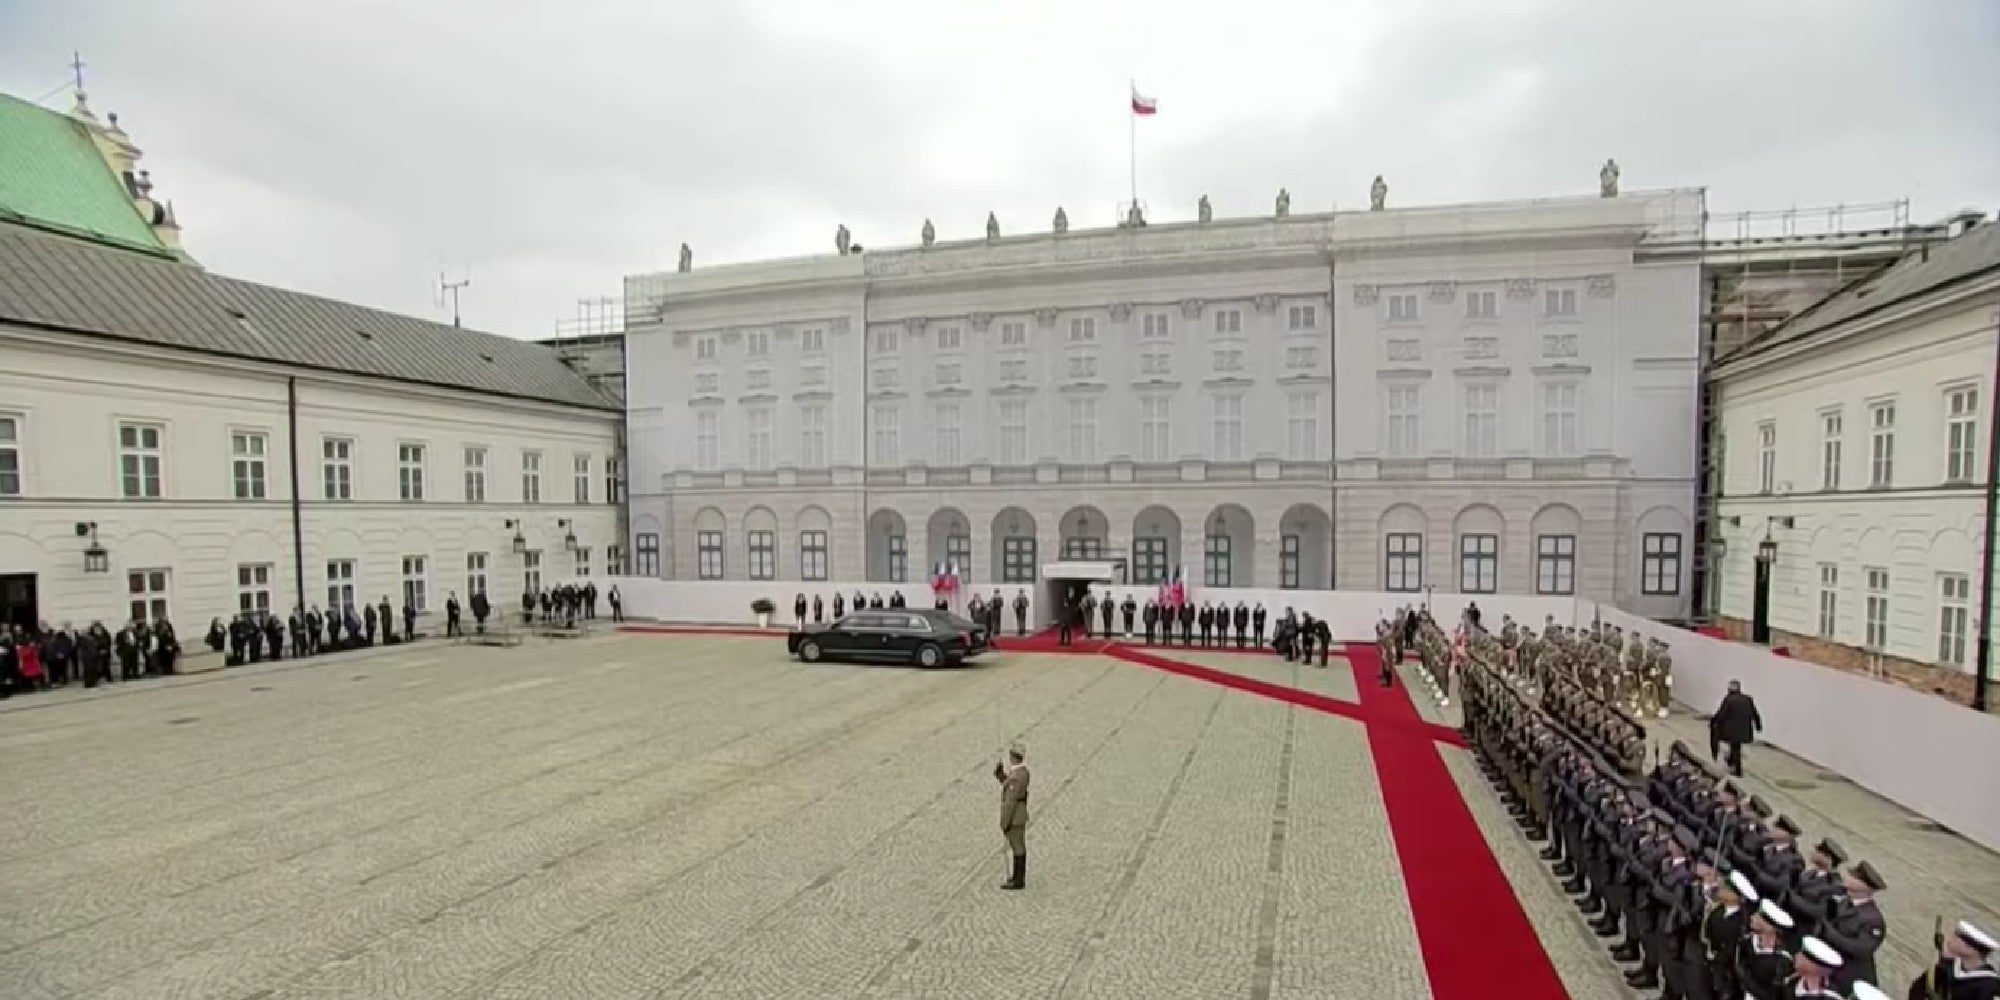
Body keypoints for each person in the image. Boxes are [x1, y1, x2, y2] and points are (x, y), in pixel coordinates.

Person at [1910, 920, 1997, 1000]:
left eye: (1958, 937)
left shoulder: (1990, 987)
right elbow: (1918, 989)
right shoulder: (1946, 967)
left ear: (1972, 949)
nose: (1952, 938)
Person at [993, 744, 1031, 890]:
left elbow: (1010, 801)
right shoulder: (1023, 772)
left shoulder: (1016, 776)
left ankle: (1018, 880)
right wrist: (1001, 776)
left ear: (1013, 757)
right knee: (1019, 846)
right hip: (1021, 814)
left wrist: (1004, 822)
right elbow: (1011, 787)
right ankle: (1017, 878)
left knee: (1017, 847)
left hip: (1015, 816)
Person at [1711, 679, 1763, 776]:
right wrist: (1758, 725)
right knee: (1735, 747)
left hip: (1731, 730)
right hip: (1744, 729)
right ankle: (1731, 761)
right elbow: (1754, 713)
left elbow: (1722, 714)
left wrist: (1715, 723)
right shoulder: (1748, 699)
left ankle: (1738, 771)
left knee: (1735, 749)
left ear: (1730, 689)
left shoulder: (1729, 699)